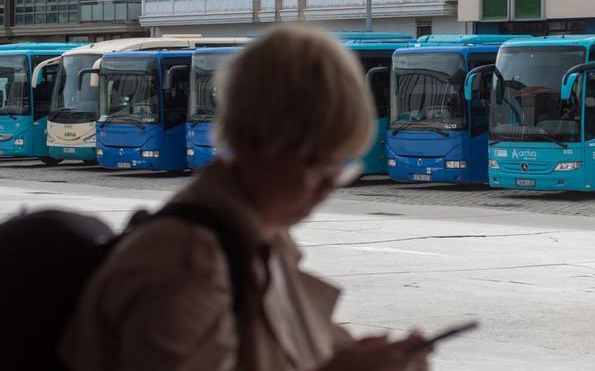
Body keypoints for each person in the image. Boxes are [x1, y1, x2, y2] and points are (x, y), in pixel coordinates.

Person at [59, 26, 430, 371]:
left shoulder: (261, 239)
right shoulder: (189, 263)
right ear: (257, 139)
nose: (328, 187)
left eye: (342, 166)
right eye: (317, 162)